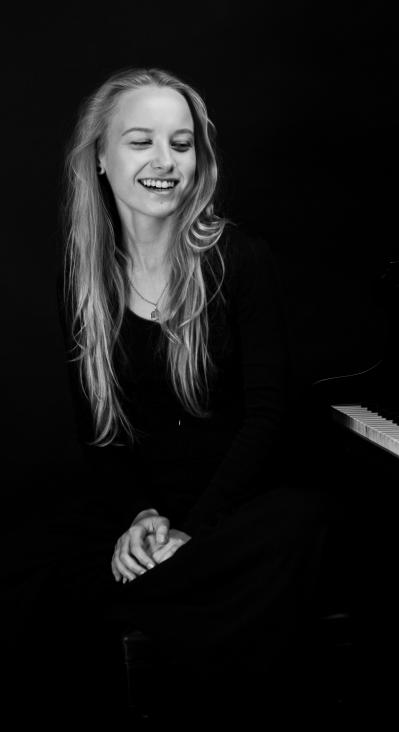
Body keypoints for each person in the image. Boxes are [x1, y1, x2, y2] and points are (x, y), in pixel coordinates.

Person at [6, 67, 331, 725]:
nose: (164, 161)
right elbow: (102, 434)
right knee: (31, 560)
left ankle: (159, 607)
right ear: (99, 156)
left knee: (304, 520)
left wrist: (190, 531)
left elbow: (269, 417)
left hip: (237, 507)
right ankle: (158, 596)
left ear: (198, 158)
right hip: (153, 511)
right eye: (140, 141)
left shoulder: (240, 259)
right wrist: (140, 517)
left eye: (181, 144)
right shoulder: (85, 278)